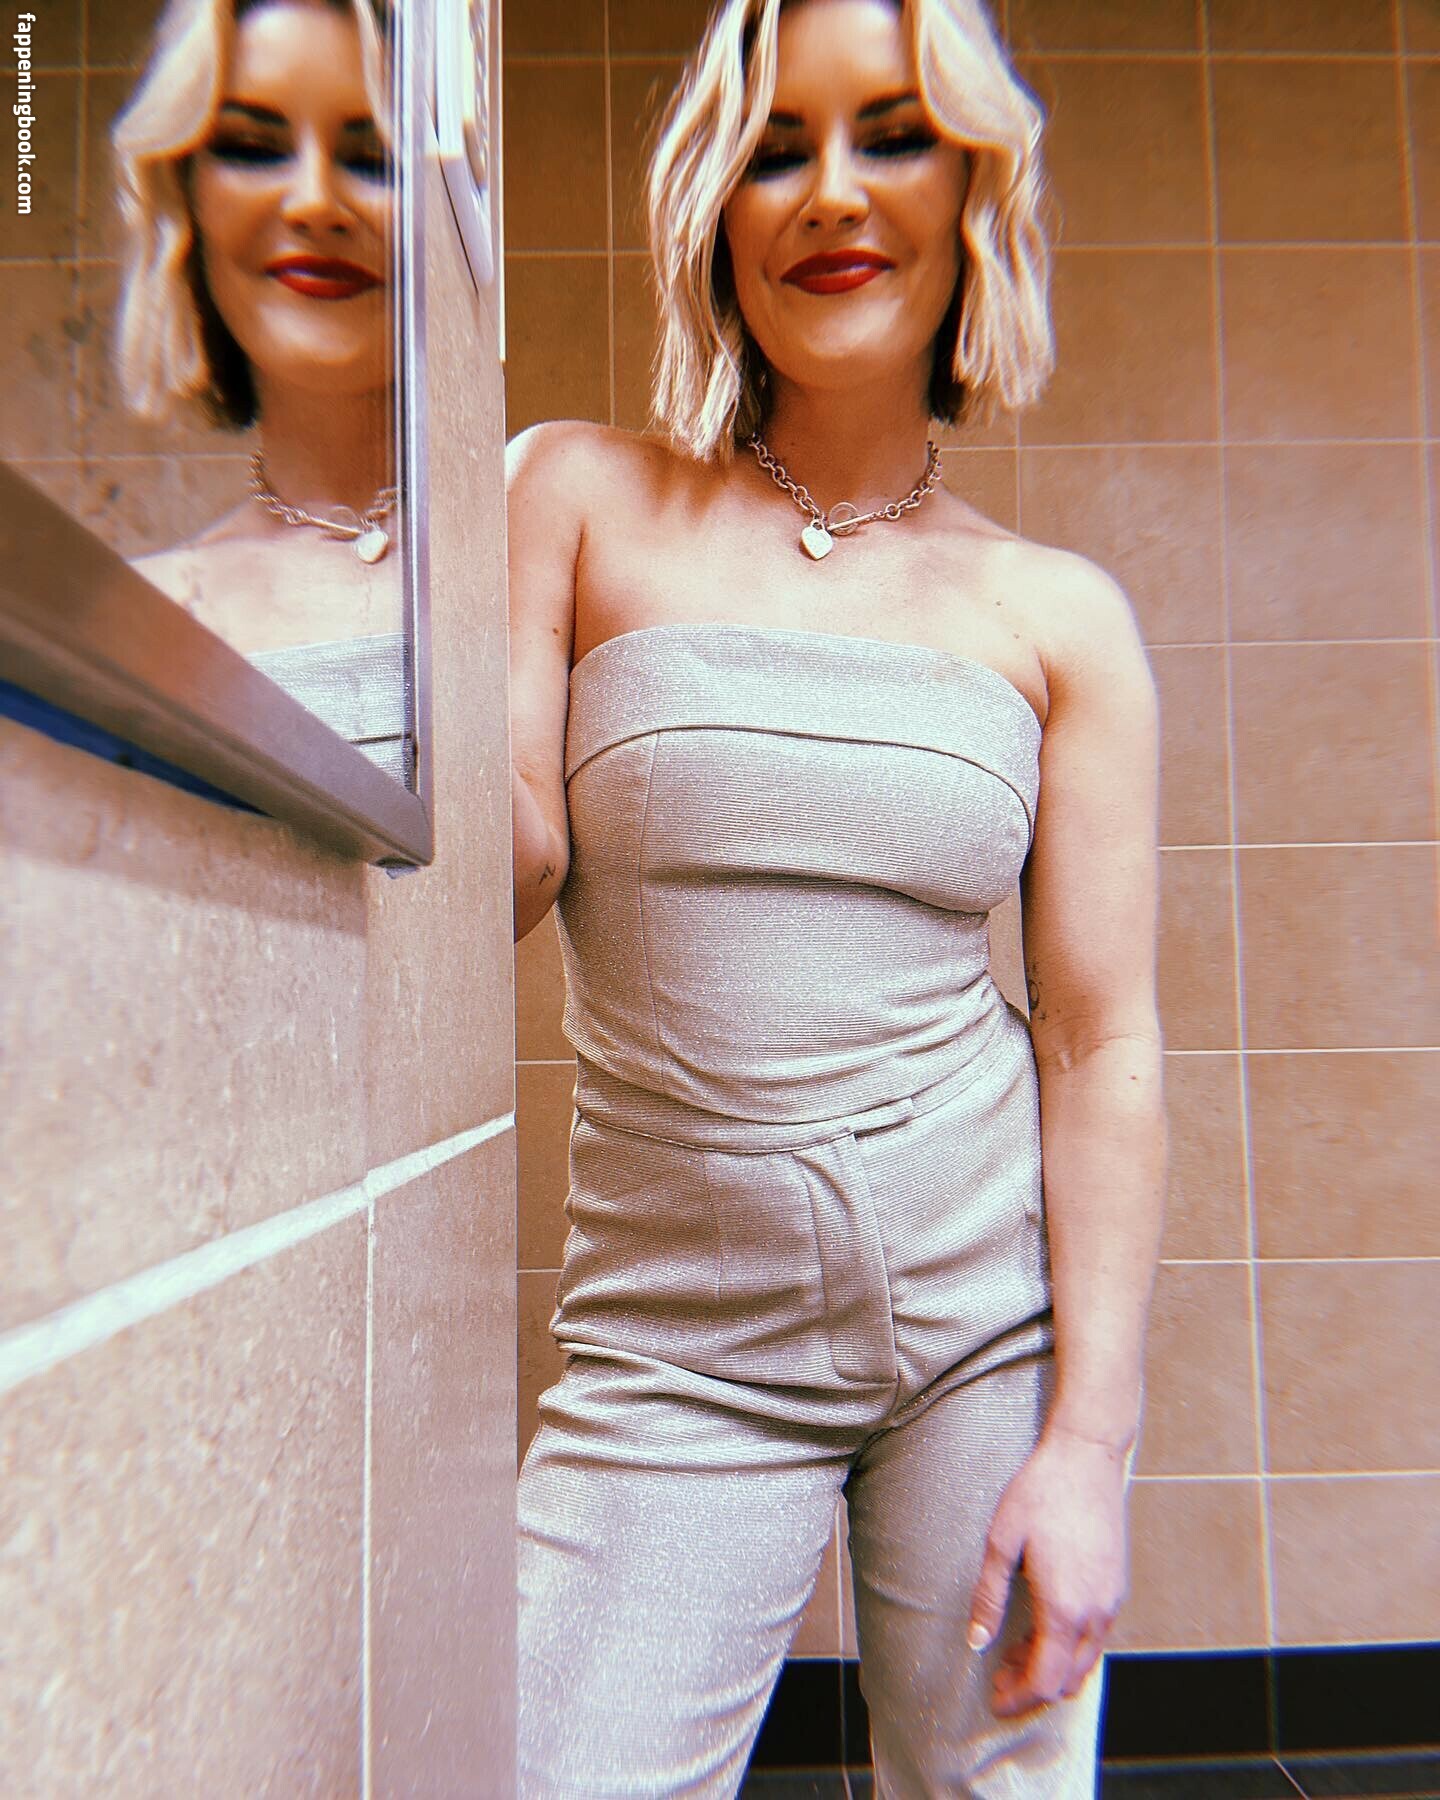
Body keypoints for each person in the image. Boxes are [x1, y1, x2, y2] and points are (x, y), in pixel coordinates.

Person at [507, 0, 1164, 1791]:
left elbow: (1102, 1044)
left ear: (973, 187)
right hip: (676, 1345)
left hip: (987, 1334)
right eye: (775, 148)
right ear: (714, 209)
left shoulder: (1058, 617)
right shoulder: (572, 497)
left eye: (890, 133)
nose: (831, 191)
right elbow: (490, 855)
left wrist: (1089, 1451)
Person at [111, 0, 407, 778]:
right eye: (251, 148)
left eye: (376, 158)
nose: (314, 202)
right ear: (185, 197)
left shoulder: (566, 550)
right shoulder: (139, 623)